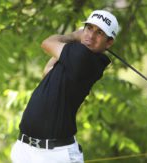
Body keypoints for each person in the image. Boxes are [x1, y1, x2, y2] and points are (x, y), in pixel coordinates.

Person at [11, 10, 120, 163]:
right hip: (26, 150)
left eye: (100, 32)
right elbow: (47, 72)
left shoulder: (84, 57)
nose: (91, 35)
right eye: (89, 28)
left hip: (56, 155)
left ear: (109, 42)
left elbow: (47, 43)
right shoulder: (75, 55)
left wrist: (73, 36)